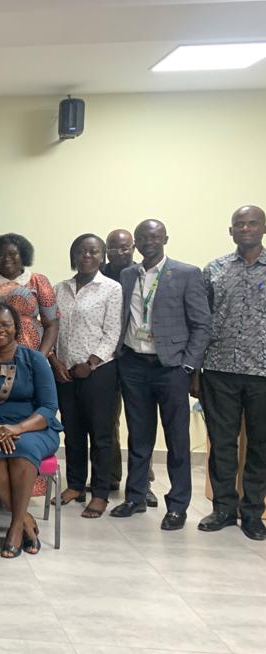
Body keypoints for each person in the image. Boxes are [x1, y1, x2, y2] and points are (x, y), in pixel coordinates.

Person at [110, 219, 211, 530]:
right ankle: (136, 496)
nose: (148, 242)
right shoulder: (128, 275)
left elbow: (202, 324)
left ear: (165, 238)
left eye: (154, 237)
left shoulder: (187, 273)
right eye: (142, 237)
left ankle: (177, 506)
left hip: (171, 368)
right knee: (138, 436)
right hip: (134, 364)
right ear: (136, 243)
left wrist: (188, 366)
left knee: (177, 439)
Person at [0, 303, 63, 557]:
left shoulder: (35, 359)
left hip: (34, 428)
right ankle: (25, 520)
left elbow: (49, 407)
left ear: (16, 328)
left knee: (23, 450)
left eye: (5, 324)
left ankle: (16, 528)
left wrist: (16, 429)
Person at [198, 205, 266, 541]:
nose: (246, 229)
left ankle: (252, 512)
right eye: (239, 224)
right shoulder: (215, 269)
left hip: (263, 372)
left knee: (260, 445)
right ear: (231, 231)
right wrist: (195, 368)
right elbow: (201, 321)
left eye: (252, 223)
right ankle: (224, 508)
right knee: (222, 443)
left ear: (263, 228)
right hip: (219, 369)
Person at [50, 235, 123, 518]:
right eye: (81, 251)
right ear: (74, 256)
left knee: (101, 434)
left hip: (99, 372)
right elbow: (51, 328)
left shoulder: (111, 288)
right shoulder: (60, 288)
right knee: (73, 431)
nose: (87, 256)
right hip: (64, 372)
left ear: (102, 256)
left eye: (94, 251)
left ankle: (101, 492)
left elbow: (113, 332)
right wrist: (55, 361)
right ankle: (76, 485)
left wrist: (91, 363)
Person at [0, 233, 59, 355]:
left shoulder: (38, 281)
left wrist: (40, 358)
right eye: (0, 255)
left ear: (23, 256)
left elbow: (52, 325)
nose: (6, 258)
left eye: (12, 254)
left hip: (31, 355)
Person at [101, 228, 138, 495]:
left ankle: (142, 482)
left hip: (136, 358)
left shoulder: (142, 273)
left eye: (124, 247)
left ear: (133, 248)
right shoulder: (97, 274)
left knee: (139, 423)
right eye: (113, 248)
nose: (119, 253)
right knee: (107, 421)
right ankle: (110, 476)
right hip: (106, 360)